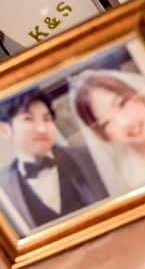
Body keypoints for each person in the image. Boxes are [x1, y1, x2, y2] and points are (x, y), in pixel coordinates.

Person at [0, 89, 108, 233]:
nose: (42, 128)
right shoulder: (4, 188)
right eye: (28, 119)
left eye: (47, 119)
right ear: (5, 130)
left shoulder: (87, 156)